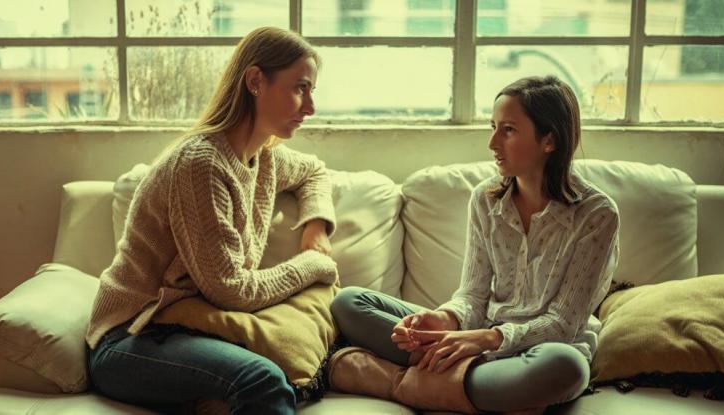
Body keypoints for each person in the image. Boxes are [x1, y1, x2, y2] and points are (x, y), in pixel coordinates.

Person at [331, 75, 620, 414]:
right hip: (475, 336)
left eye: (508, 130)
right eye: (493, 126)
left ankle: (397, 382)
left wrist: (483, 341)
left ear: (549, 140)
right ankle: (471, 383)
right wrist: (444, 320)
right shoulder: (484, 200)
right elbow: (473, 294)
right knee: (350, 302)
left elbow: (562, 323)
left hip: (541, 349)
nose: (493, 143)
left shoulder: (597, 215)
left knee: (566, 369)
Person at [86, 27, 338, 415]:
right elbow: (232, 289)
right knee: (262, 380)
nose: (311, 107)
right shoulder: (201, 165)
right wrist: (314, 264)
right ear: (255, 81)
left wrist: (316, 226)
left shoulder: (264, 157)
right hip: (131, 335)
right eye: (300, 88)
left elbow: (315, 172)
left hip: (193, 326)